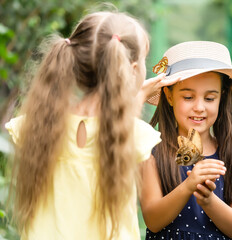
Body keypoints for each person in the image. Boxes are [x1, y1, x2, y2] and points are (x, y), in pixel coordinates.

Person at [5, 11, 178, 240]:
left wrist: (138, 95)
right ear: (133, 69)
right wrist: (137, 96)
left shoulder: (35, 127)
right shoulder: (137, 136)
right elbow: (115, 131)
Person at [140, 41, 232, 240]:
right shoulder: (152, 153)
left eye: (210, 98)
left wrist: (208, 201)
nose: (199, 107)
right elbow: (152, 219)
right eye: (188, 97)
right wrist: (188, 186)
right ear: (169, 96)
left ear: (223, 97)